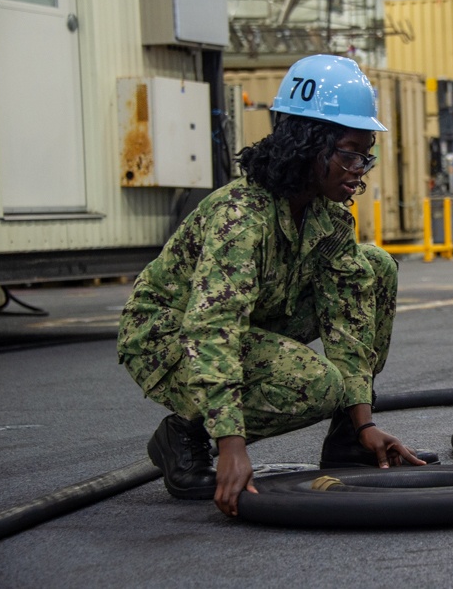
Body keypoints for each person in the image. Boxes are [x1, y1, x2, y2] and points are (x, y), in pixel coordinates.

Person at [117, 54, 434, 518]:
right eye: (348, 153)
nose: (359, 168)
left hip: (247, 321)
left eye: (366, 155)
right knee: (320, 385)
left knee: (376, 267)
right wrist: (232, 444)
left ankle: (346, 438)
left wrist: (362, 422)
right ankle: (186, 435)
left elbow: (347, 315)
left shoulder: (327, 216)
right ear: (308, 144)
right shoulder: (242, 216)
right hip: (169, 336)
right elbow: (213, 327)